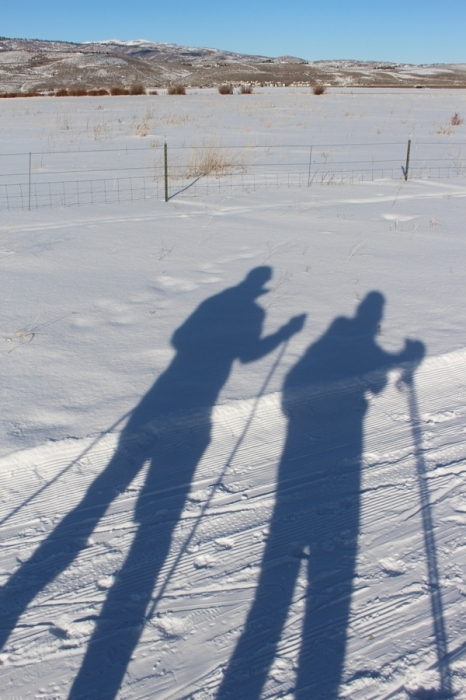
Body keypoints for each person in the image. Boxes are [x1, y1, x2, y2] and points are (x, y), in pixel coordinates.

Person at [0, 266, 304, 700]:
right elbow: (250, 357)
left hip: (165, 392)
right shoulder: (249, 310)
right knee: (156, 497)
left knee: (106, 486)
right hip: (196, 404)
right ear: (262, 285)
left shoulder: (216, 302)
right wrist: (285, 333)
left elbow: (180, 340)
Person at [217, 292, 424, 700]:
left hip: (302, 444)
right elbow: (377, 381)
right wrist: (405, 365)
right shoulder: (358, 346)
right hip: (341, 434)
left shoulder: (329, 343)